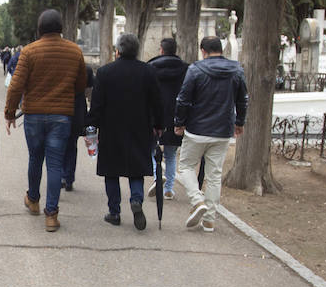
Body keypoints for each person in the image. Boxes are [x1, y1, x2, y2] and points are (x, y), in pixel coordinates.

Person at [5, 9, 88, 232]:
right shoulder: (74, 51)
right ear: (61, 28)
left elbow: (16, 85)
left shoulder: (29, 51)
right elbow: (81, 85)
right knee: (55, 164)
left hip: (33, 115)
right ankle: (51, 215)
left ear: (39, 28)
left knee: (35, 158)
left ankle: (33, 200)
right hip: (62, 116)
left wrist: (10, 113)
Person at [88, 33, 164, 229]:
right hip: (140, 127)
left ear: (118, 50)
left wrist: (92, 126)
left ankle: (114, 212)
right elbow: (157, 102)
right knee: (136, 168)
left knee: (111, 171)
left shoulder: (105, 72)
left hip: (111, 128)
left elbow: (97, 104)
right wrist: (159, 125)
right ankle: (136, 200)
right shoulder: (148, 72)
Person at [174, 35, 247, 232]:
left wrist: (179, 122)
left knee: (186, 166)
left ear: (203, 51)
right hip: (223, 129)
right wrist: (239, 122)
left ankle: (197, 201)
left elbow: (183, 99)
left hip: (197, 128)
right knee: (214, 174)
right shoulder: (236, 70)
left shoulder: (196, 69)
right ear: (221, 50)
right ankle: (209, 219)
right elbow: (242, 99)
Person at [147, 37, 187, 201]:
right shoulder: (185, 69)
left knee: (151, 150)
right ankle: (169, 188)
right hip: (175, 115)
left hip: (155, 115)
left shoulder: (150, 68)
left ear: (161, 50)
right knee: (170, 155)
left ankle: (158, 178)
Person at [60, 65, 94, 192]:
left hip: (60, 108)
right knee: (72, 145)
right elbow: (89, 92)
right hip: (78, 110)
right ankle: (68, 178)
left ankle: (61, 176)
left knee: (58, 145)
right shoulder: (86, 69)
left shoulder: (59, 67)